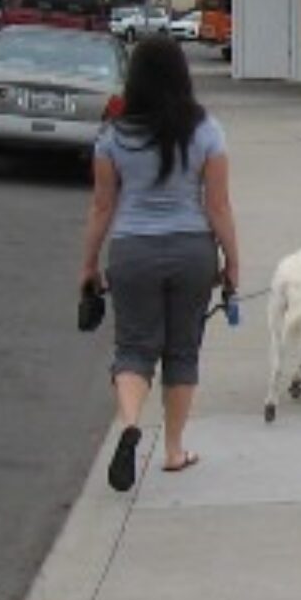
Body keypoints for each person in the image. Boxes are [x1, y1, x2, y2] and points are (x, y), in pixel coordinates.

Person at [80, 36, 241, 489]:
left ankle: (131, 424)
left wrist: (88, 266)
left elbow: (101, 207)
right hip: (192, 252)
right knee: (182, 351)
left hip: (133, 252)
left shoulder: (113, 136)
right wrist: (232, 262)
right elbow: (218, 206)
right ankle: (173, 450)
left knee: (133, 348)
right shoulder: (207, 130)